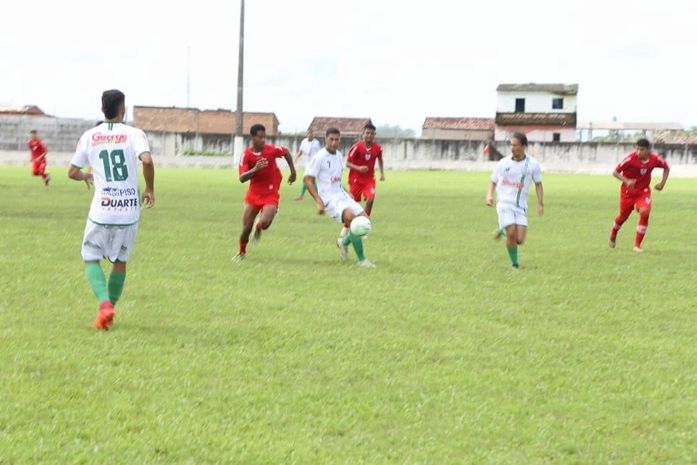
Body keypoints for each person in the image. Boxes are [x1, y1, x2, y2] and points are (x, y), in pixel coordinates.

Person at [68, 89, 155, 330]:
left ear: (103, 109)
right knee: (120, 260)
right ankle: (109, 311)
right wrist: (149, 188)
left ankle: (105, 305)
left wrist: (87, 175)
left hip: (102, 209)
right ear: (122, 109)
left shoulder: (90, 136)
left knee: (90, 257)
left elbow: (72, 172)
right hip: (128, 209)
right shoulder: (135, 134)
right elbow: (146, 160)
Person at [304, 127, 375, 268]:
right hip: (329, 199)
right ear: (326, 139)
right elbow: (307, 179)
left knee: (365, 220)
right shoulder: (319, 157)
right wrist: (319, 201)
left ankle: (343, 242)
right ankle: (362, 260)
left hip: (341, 195)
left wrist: (345, 190)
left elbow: (335, 179)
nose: (334, 143)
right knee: (354, 221)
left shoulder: (338, 156)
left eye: (337, 139)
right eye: (331, 139)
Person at [234, 124, 296, 261]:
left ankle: (259, 226)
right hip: (253, 196)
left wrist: (293, 171)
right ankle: (241, 252)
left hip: (270, 194)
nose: (263, 140)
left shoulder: (271, 150)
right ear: (252, 137)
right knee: (246, 228)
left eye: (264, 137)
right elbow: (242, 178)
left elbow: (286, 152)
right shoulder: (246, 155)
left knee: (265, 223)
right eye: (260, 137)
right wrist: (255, 169)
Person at [486, 132, 544, 269]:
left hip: (521, 206)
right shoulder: (503, 163)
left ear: (524, 146)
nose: (512, 148)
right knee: (512, 234)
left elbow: (538, 184)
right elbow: (493, 181)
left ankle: (502, 230)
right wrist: (489, 195)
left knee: (519, 240)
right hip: (504, 204)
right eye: (511, 145)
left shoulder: (533, 165)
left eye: (516, 145)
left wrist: (540, 203)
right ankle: (515, 264)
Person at [608, 138, 669, 252]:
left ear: (648, 150)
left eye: (641, 149)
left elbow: (666, 167)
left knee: (645, 213)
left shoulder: (654, 159)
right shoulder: (630, 159)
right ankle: (613, 232)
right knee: (623, 217)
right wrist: (627, 181)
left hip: (643, 191)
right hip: (628, 193)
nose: (638, 152)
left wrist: (662, 183)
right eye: (637, 149)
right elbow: (615, 172)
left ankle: (637, 245)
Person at [345, 122, 385, 231]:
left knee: (371, 199)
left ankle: (364, 224)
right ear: (363, 134)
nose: (369, 135)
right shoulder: (357, 147)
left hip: (369, 180)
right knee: (353, 205)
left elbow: (380, 160)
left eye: (372, 133)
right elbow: (347, 163)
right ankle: (345, 229)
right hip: (356, 180)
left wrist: (382, 174)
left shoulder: (378, 148)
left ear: (374, 135)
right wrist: (359, 168)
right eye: (367, 133)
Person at [293, 128, 321, 200]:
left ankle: (302, 195)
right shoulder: (304, 142)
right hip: (306, 164)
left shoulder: (316, 143)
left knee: (307, 179)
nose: (310, 135)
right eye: (308, 133)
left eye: (311, 133)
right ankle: (319, 196)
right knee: (310, 180)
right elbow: (301, 151)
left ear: (313, 134)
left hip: (314, 164)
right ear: (306, 134)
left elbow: (319, 154)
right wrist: (296, 158)